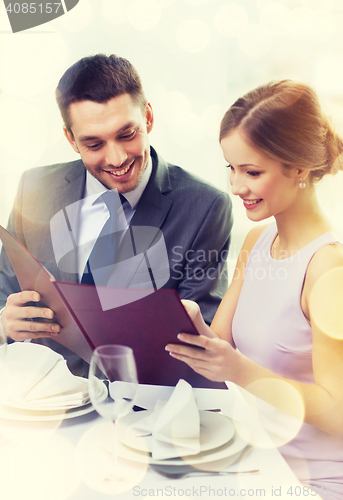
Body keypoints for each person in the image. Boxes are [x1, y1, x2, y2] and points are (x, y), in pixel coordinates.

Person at [0, 54, 233, 376]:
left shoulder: (205, 207)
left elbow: (202, 336)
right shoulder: (34, 187)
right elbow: (4, 291)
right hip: (42, 401)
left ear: (148, 118)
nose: (117, 158)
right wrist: (4, 323)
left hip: (143, 409)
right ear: (71, 139)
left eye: (127, 134)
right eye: (94, 144)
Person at [166, 80, 343, 497]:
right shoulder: (257, 242)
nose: (235, 186)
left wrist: (241, 371)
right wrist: (185, 323)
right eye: (231, 167)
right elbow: (220, 345)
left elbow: (338, 411)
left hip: (311, 479)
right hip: (253, 459)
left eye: (252, 171)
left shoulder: (327, 269)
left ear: (298, 168)